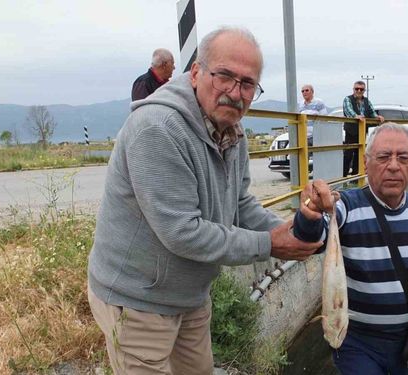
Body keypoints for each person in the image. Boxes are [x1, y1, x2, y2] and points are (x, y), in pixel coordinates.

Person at [88, 27, 321, 375]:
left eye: (247, 84)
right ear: (195, 72)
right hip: (138, 301)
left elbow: (239, 203)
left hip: (191, 295)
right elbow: (182, 232)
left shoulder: (231, 130)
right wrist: (270, 243)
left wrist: (292, 230)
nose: (234, 93)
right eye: (224, 76)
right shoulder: (158, 129)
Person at [293, 123, 408, 375]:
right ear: (366, 163)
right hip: (356, 343)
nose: (394, 166)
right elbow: (313, 237)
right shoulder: (347, 207)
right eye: (384, 157)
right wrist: (310, 213)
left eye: (403, 157)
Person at [342, 80, 384, 176]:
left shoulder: (366, 101)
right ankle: (344, 176)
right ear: (353, 89)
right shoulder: (348, 99)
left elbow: (371, 111)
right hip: (351, 130)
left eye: (361, 89)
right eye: (357, 89)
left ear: (364, 90)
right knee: (348, 154)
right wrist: (356, 116)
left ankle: (356, 176)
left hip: (362, 130)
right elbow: (348, 111)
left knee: (359, 154)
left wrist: (377, 117)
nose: (359, 91)